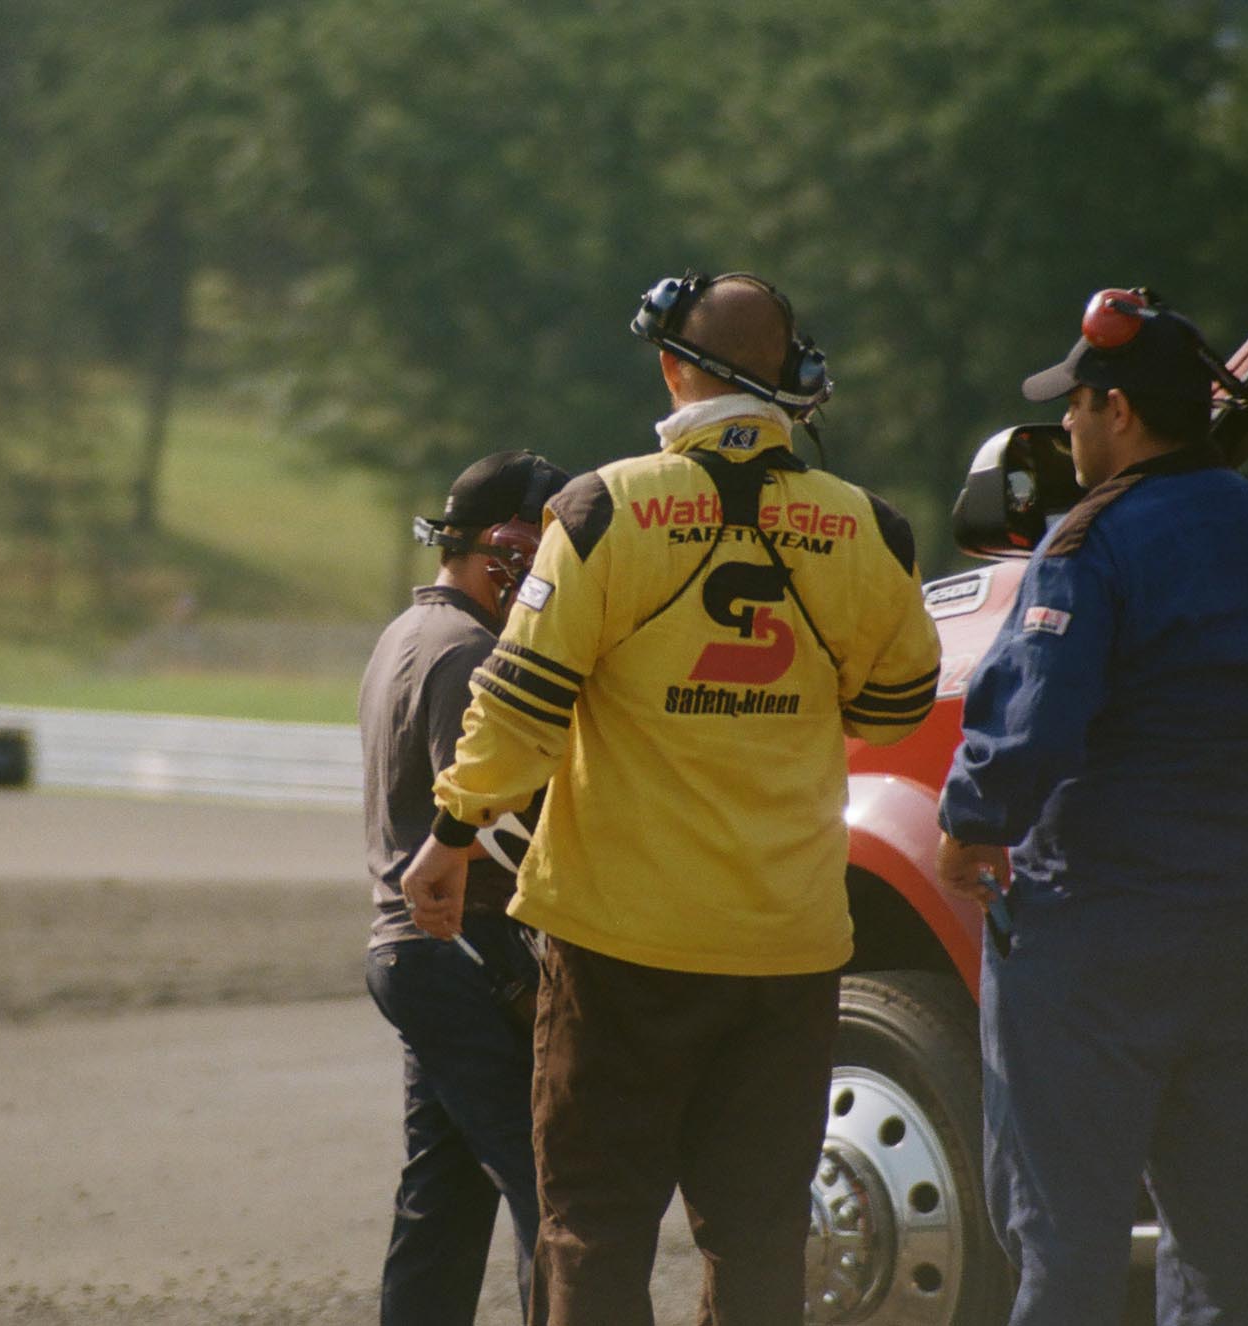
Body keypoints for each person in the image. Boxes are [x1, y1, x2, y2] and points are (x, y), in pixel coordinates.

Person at [401, 272, 942, 1324]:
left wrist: (452, 832)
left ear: (668, 368)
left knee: (592, 1230)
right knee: (756, 1238)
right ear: (797, 380)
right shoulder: (869, 529)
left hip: (619, 944)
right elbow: (895, 704)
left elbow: (518, 706)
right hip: (785, 944)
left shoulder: (604, 509)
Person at [934, 288, 1248, 1326]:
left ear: (1116, 410)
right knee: (1226, 1230)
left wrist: (969, 820)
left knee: (1061, 1233)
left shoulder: (1094, 545)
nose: (1065, 427)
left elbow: (1034, 714)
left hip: (1091, 930)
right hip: (1233, 926)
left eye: (1074, 406)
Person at [361, 447, 572, 1325]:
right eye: (548, 538)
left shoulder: (405, 635)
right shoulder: (470, 651)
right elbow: (480, 817)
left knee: (442, 1198)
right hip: (464, 951)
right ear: (505, 542)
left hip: (416, 955)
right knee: (550, 1190)